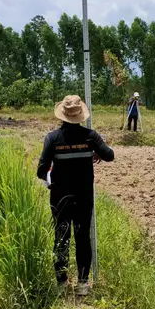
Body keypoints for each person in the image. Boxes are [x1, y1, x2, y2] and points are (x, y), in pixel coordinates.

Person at [37, 95, 114, 296]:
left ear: (62, 115)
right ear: (81, 115)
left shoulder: (52, 139)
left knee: (61, 237)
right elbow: (109, 155)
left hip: (59, 198)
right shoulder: (91, 137)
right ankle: (82, 284)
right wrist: (94, 152)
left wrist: (53, 172)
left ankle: (61, 284)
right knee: (82, 237)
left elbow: (41, 170)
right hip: (83, 197)